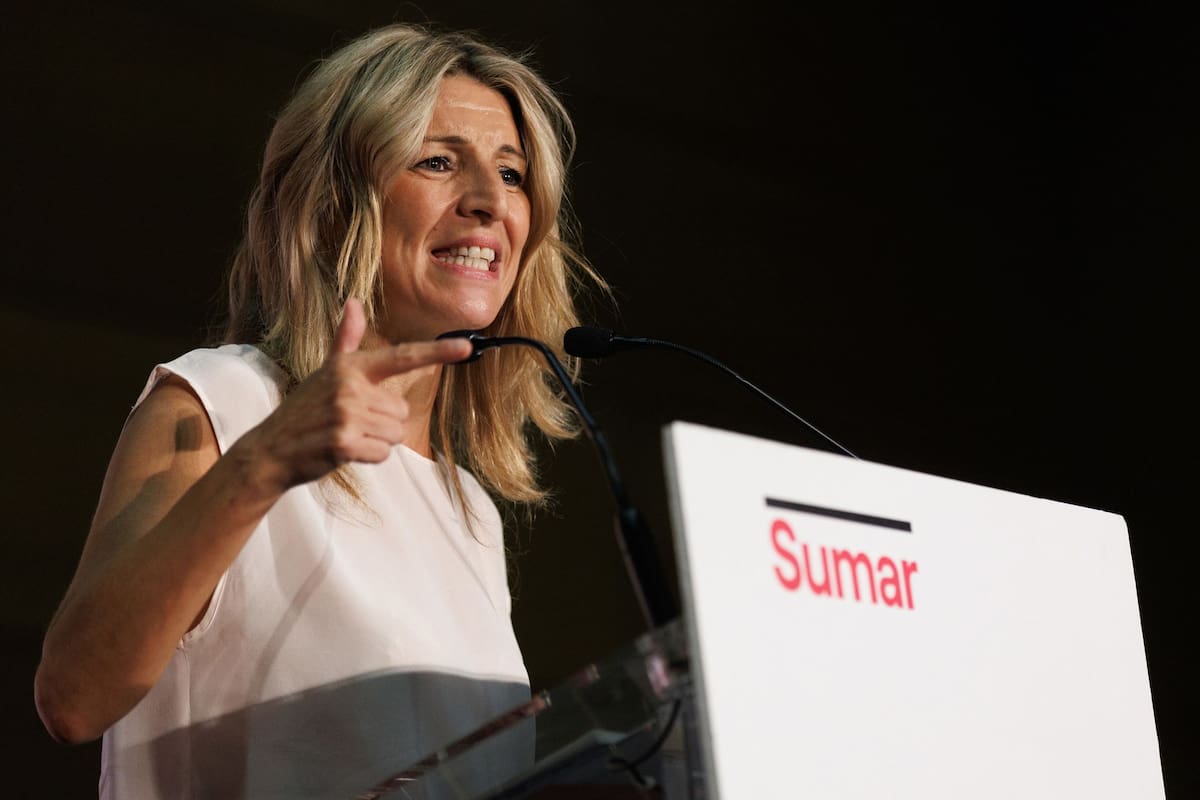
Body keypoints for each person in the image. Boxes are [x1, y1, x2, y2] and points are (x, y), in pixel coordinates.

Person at [34, 22, 606, 799]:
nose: (488, 203)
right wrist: (265, 461)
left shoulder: (469, 508)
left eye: (512, 175)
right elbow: (73, 696)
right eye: (439, 161)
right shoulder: (222, 400)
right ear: (335, 205)